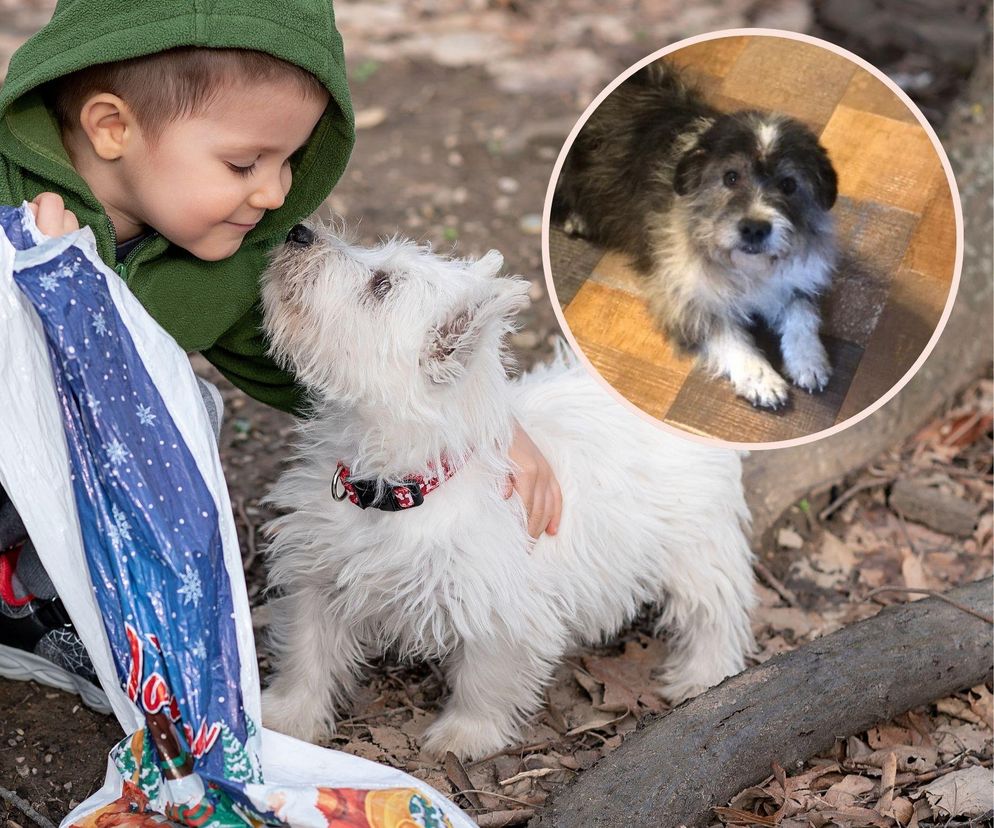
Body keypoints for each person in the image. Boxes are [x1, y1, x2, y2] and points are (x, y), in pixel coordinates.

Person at [0, 0, 561, 712]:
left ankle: (28, 603)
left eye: (289, 159)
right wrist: (33, 282)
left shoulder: (223, 261)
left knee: (180, 411)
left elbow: (356, 375)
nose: (274, 193)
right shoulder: (9, 202)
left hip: (51, 476)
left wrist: (493, 428)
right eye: (243, 163)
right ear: (112, 129)